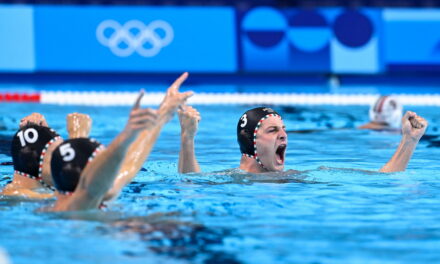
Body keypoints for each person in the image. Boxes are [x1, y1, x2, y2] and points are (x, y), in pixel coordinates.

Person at [46, 73, 192, 211]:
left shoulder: (54, 203)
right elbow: (104, 174)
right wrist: (128, 133)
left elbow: (128, 166)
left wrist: (162, 114)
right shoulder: (82, 202)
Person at [178, 106, 428, 174]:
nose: (284, 134)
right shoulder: (230, 181)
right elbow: (188, 183)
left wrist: (409, 141)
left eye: (283, 129)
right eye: (272, 130)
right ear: (250, 143)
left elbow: (383, 179)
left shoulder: (298, 177)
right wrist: (187, 138)